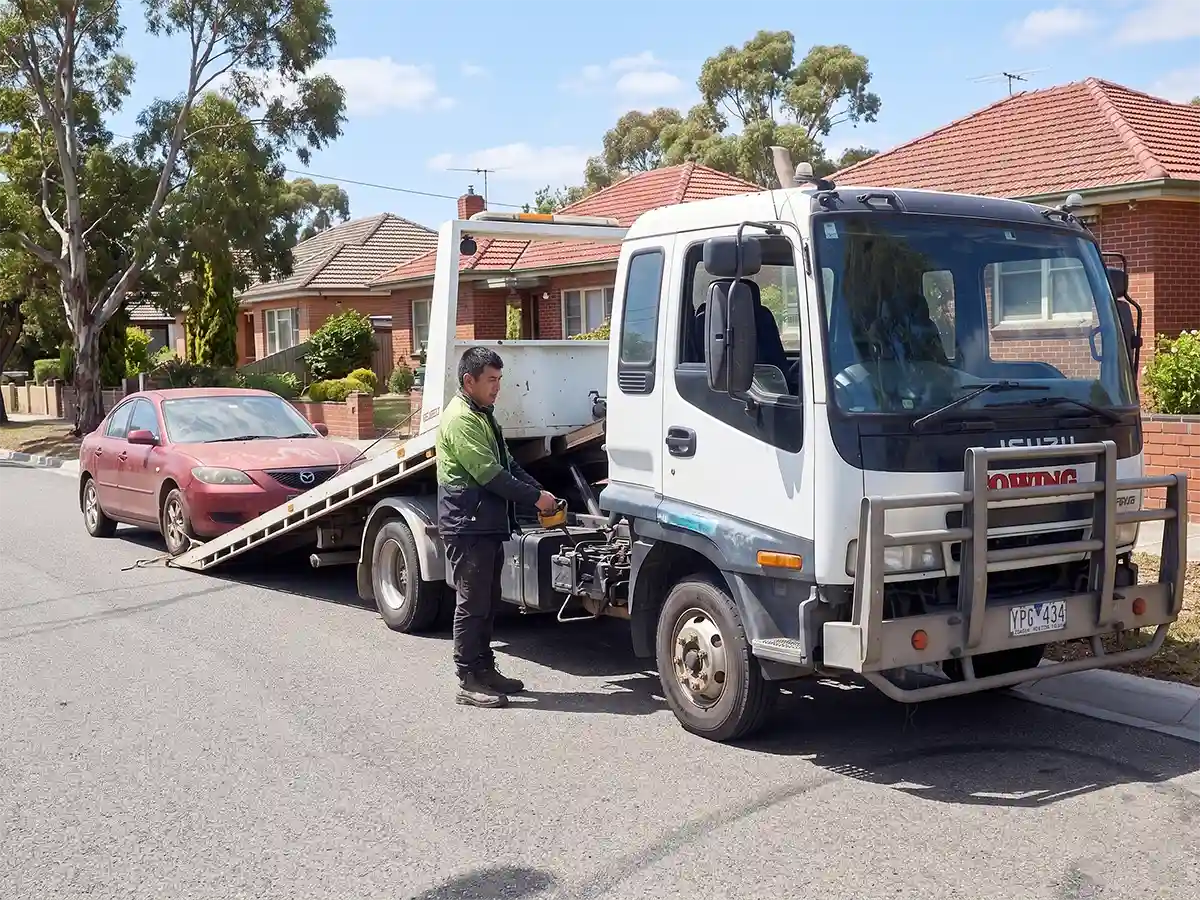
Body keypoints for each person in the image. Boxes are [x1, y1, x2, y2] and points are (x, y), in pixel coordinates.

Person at [435, 346, 559, 708]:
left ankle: (485, 669)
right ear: (468, 380)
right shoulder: (460, 418)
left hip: (484, 524)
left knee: (488, 603)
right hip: (466, 524)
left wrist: (540, 492)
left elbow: (508, 465)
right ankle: (468, 679)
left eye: (499, 379)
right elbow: (489, 475)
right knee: (472, 604)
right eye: (491, 380)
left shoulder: (484, 415)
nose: (497, 387)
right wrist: (534, 500)